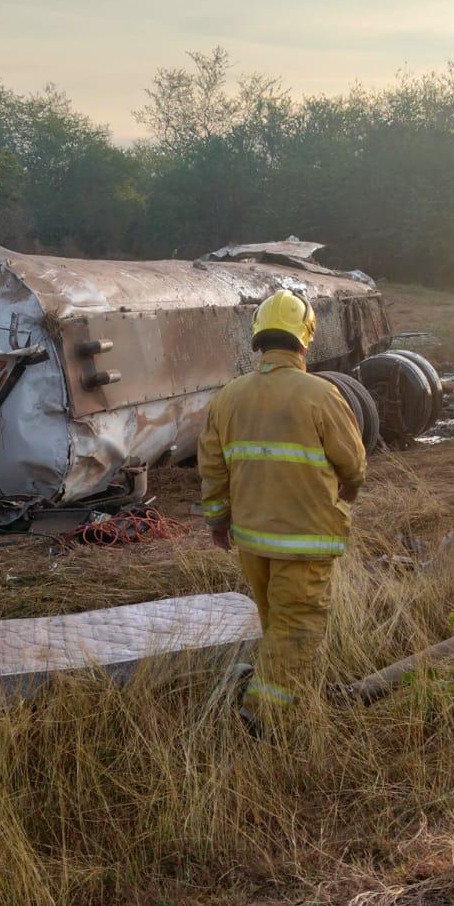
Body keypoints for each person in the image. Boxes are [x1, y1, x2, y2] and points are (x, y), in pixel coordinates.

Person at [198, 289, 367, 726]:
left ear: (258, 339)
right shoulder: (322, 395)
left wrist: (218, 520)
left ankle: (286, 700)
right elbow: (355, 464)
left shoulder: (227, 398)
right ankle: (262, 719)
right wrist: (348, 487)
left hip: (252, 542)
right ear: (305, 339)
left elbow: (212, 471)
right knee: (295, 630)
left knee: (276, 625)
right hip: (304, 542)